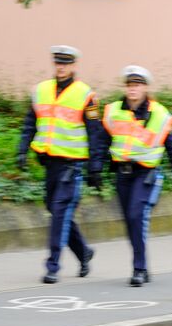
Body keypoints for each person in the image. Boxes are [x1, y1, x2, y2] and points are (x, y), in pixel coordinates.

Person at [16, 45, 109, 284]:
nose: (61, 67)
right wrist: (22, 149)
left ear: (73, 65)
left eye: (65, 63)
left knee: (59, 212)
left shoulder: (86, 95)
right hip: (50, 163)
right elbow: (30, 123)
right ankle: (84, 252)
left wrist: (95, 167)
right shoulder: (41, 90)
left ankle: (52, 266)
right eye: (58, 62)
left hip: (71, 165)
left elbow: (95, 133)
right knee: (56, 210)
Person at [101, 65, 172, 286]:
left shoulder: (159, 114)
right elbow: (102, 142)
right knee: (129, 221)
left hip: (145, 174)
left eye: (137, 85)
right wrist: (95, 169)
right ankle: (142, 267)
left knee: (136, 216)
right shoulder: (114, 111)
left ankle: (139, 269)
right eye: (129, 85)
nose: (132, 89)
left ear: (145, 88)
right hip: (122, 174)